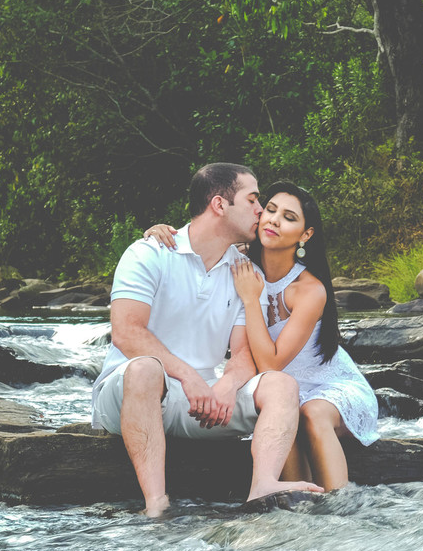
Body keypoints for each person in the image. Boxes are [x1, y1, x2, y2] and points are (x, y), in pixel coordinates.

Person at [92, 163, 323, 517]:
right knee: (144, 371)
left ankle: (262, 485)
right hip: (130, 394)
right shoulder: (148, 253)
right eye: (253, 200)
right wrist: (190, 377)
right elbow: (127, 332)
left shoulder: (246, 273)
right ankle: (156, 504)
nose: (261, 212)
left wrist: (228, 385)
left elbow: (245, 352)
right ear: (219, 205)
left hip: (201, 402)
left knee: (280, 384)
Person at [146, 181, 379, 491]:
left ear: (306, 235)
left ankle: (340, 509)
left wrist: (251, 299)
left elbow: (271, 363)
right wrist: (161, 232)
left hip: (330, 387)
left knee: (311, 413)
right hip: (280, 392)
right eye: (270, 210)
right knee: (283, 413)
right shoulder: (239, 260)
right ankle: (297, 509)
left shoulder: (309, 290)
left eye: (289, 217)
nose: (273, 220)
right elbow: (199, 238)